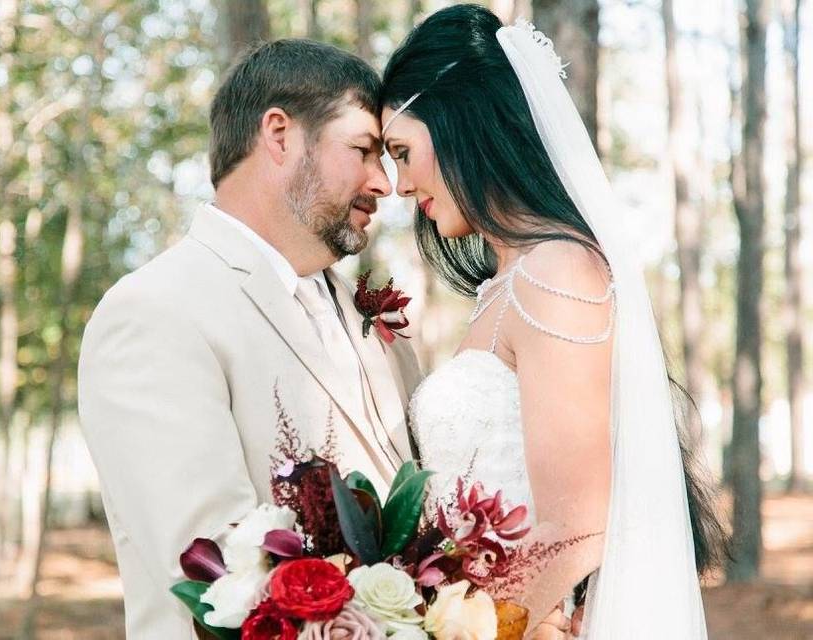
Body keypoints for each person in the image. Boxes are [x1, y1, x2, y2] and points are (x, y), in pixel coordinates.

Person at [380, 5, 725, 638]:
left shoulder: (557, 270)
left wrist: (463, 630)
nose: (399, 185)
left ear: (460, 123)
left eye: (403, 151)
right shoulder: (504, 284)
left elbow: (580, 524)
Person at [77, 39, 423, 638]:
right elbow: (220, 570)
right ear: (280, 134)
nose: (384, 183)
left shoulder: (364, 308)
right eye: (363, 151)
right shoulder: (153, 313)